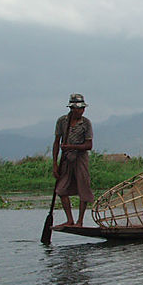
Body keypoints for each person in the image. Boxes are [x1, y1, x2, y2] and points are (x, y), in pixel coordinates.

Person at [52, 93, 94, 227]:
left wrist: (71, 147)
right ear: (72, 109)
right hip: (66, 160)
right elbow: (56, 142)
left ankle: (80, 221)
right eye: (78, 109)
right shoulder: (62, 121)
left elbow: (89, 145)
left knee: (83, 189)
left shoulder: (86, 123)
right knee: (61, 190)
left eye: (82, 108)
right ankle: (69, 220)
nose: (81, 111)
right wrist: (55, 164)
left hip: (80, 159)